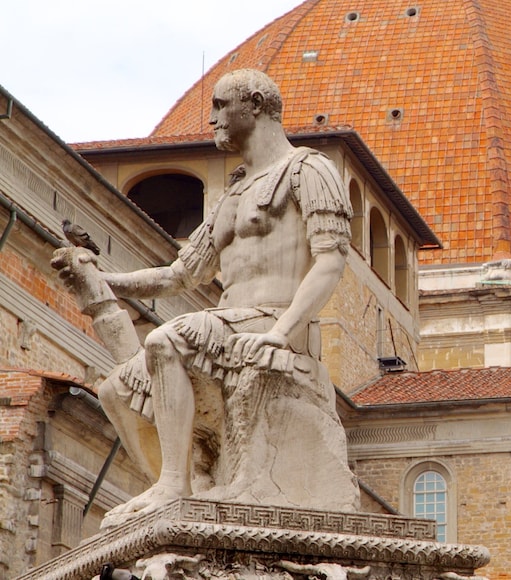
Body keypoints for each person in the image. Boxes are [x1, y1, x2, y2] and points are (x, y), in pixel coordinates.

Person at [57, 69, 352, 522]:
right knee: (116, 388)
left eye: (219, 106)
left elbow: (331, 260)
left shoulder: (308, 171)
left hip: (277, 322)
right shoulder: (233, 194)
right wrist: (102, 280)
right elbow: (179, 275)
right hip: (230, 325)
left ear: (255, 104)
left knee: (165, 341)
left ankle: (174, 485)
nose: (212, 119)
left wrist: (281, 333)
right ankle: (182, 487)